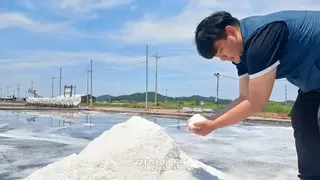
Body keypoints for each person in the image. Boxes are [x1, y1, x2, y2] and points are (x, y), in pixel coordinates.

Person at [190, 10, 320, 180]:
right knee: (303, 115)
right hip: (314, 84)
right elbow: (244, 97)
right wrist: (211, 118)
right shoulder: (241, 55)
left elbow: (257, 101)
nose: (222, 58)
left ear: (230, 32)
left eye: (220, 50)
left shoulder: (261, 41)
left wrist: (213, 125)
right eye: (217, 56)